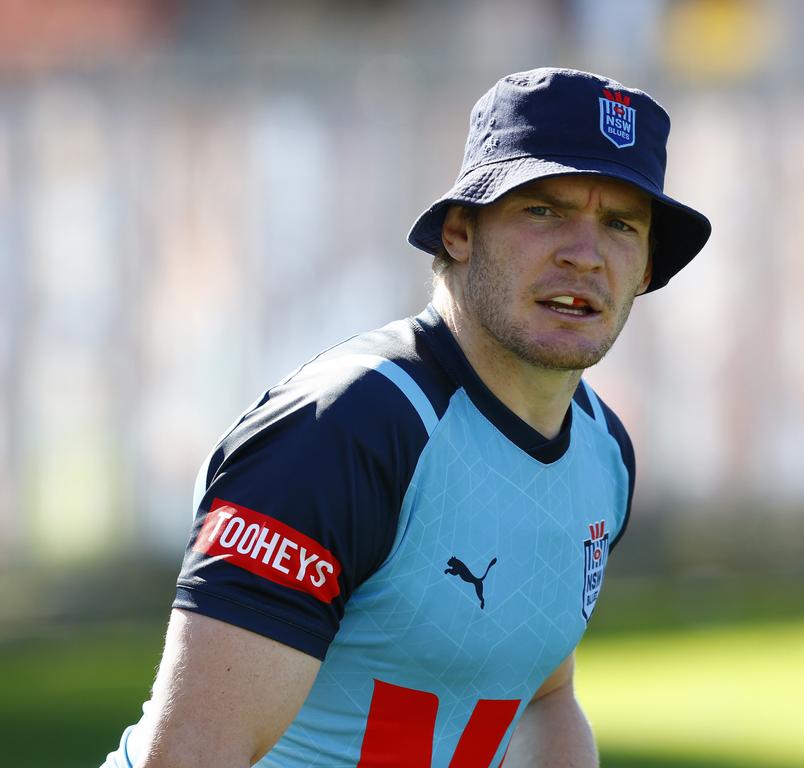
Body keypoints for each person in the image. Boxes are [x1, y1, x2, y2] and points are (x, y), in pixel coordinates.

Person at [102, 67, 710, 768]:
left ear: (645, 270)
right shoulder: (344, 432)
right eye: (543, 210)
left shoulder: (603, 453)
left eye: (620, 224)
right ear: (459, 231)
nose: (584, 254)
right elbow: (190, 756)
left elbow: (539, 695)